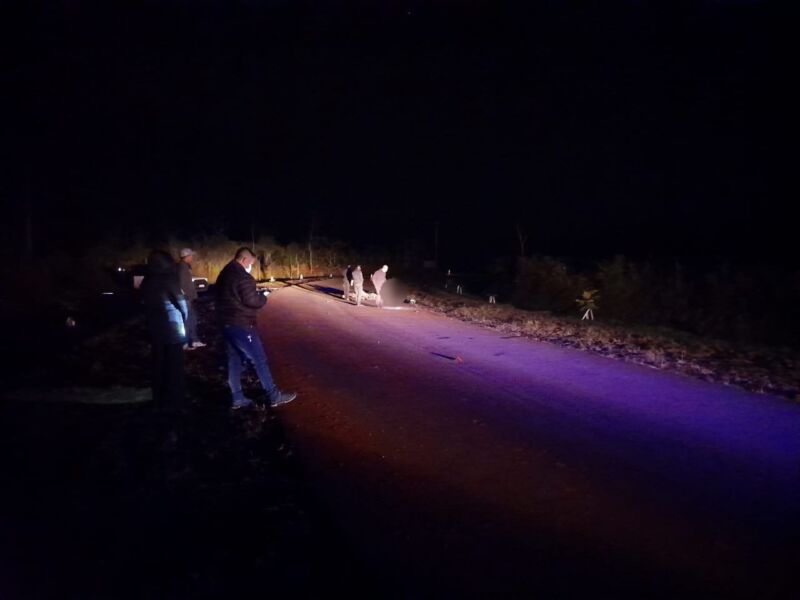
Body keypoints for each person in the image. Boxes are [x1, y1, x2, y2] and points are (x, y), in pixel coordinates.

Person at [216, 247, 297, 410]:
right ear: (244, 260)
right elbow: (252, 301)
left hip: (225, 323)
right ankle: (273, 395)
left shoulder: (225, 273)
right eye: (251, 263)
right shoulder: (243, 277)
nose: (251, 266)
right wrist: (263, 297)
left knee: (234, 361)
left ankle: (237, 397)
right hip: (242, 324)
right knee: (259, 360)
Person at [139, 249, 188, 410]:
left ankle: (158, 398)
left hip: (154, 328)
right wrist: (185, 322)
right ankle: (175, 400)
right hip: (172, 329)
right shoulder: (169, 279)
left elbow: (142, 304)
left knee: (158, 363)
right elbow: (181, 305)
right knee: (174, 366)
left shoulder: (147, 281)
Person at [177, 247, 206, 350]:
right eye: (191, 256)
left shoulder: (184, 266)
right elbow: (182, 284)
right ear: (187, 256)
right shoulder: (182, 267)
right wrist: (187, 297)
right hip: (185, 299)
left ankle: (193, 341)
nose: (192, 257)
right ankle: (187, 342)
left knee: (191, 318)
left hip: (186, 298)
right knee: (189, 319)